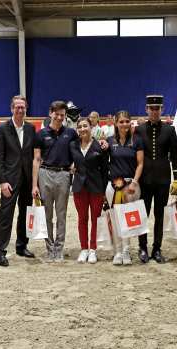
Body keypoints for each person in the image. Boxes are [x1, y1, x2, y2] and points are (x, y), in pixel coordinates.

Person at [135, 95, 177, 264]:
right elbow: (136, 156)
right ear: (147, 109)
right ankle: (142, 247)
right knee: (143, 214)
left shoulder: (170, 130)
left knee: (159, 215)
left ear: (162, 109)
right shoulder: (139, 130)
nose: (154, 112)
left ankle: (157, 248)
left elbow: (175, 156)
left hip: (163, 179)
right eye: (151, 108)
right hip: (144, 180)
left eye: (157, 109)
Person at [32, 100, 78, 261]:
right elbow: (36, 160)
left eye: (62, 115)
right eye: (56, 114)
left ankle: (59, 248)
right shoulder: (41, 134)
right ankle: (49, 248)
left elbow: (77, 153)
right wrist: (34, 185)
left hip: (64, 175)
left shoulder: (71, 134)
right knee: (46, 214)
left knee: (61, 214)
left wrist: (73, 164)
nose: (59, 117)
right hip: (45, 174)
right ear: (50, 113)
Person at [0, 95, 36, 266]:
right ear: (11, 109)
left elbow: (34, 156)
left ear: (26, 109)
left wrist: (34, 182)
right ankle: (1, 250)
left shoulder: (32, 129)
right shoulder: (2, 129)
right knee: (6, 215)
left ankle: (21, 245)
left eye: (23, 107)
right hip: (9, 180)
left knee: (25, 214)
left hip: (27, 179)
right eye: (17, 107)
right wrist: (2, 181)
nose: (20, 110)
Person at [105, 111, 143, 265]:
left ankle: (126, 250)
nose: (125, 124)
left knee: (129, 219)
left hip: (131, 186)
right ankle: (117, 251)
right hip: (113, 186)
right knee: (114, 219)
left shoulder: (136, 141)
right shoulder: (109, 141)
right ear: (116, 123)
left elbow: (140, 164)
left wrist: (134, 182)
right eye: (121, 121)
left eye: (127, 121)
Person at [70, 117, 108, 264]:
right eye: (79, 127)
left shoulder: (100, 146)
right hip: (79, 187)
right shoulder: (73, 145)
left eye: (85, 126)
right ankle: (83, 248)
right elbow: (68, 161)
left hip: (96, 187)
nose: (82, 129)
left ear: (91, 127)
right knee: (82, 219)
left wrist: (104, 191)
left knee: (95, 219)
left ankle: (93, 249)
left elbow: (105, 170)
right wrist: (70, 167)